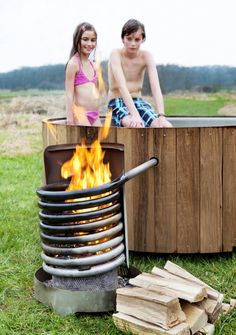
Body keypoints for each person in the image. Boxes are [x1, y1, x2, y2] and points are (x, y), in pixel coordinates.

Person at [107, 19, 172, 128]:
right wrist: (135, 115)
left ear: (142, 39)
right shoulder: (115, 54)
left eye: (137, 39)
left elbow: (155, 87)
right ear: (122, 38)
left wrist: (161, 116)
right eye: (129, 39)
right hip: (117, 101)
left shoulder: (146, 56)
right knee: (137, 125)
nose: (133, 43)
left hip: (138, 101)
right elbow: (122, 86)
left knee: (165, 127)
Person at [65, 22, 102, 126]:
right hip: (80, 114)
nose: (89, 44)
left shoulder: (93, 65)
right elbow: (69, 94)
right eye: (85, 39)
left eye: (93, 40)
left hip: (94, 115)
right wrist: (70, 119)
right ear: (77, 40)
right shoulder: (73, 64)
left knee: (101, 141)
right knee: (88, 141)